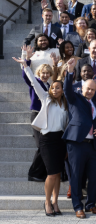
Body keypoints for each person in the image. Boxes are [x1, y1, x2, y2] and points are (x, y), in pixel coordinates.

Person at [14, 57, 68, 217]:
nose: (55, 90)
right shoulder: (45, 98)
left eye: (58, 88)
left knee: (58, 173)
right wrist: (26, 66)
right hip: (47, 140)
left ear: (63, 90)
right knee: (51, 173)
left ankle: (56, 202)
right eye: (53, 88)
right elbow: (33, 82)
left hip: (61, 140)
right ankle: (46, 202)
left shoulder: (65, 104)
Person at [62, 58, 96, 219]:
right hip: (77, 143)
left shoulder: (95, 102)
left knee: (94, 177)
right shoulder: (75, 98)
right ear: (82, 88)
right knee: (76, 176)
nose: (90, 92)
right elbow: (66, 89)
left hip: (93, 145)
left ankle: (90, 205)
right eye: (88, 89)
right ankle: (77, 206)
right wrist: (70, 70)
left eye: (93, 90)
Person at [21, 46, 51, 182]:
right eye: (43, 73)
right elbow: (26, 77)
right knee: (41, 146)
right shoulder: (36, 82)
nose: (45, 75)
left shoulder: (49, 86)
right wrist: (27, 60)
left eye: (47, 73)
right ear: (39, 73)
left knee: (45, 145)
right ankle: (33, 173)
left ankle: (41, 172)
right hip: (36, 115)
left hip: (47, 117)